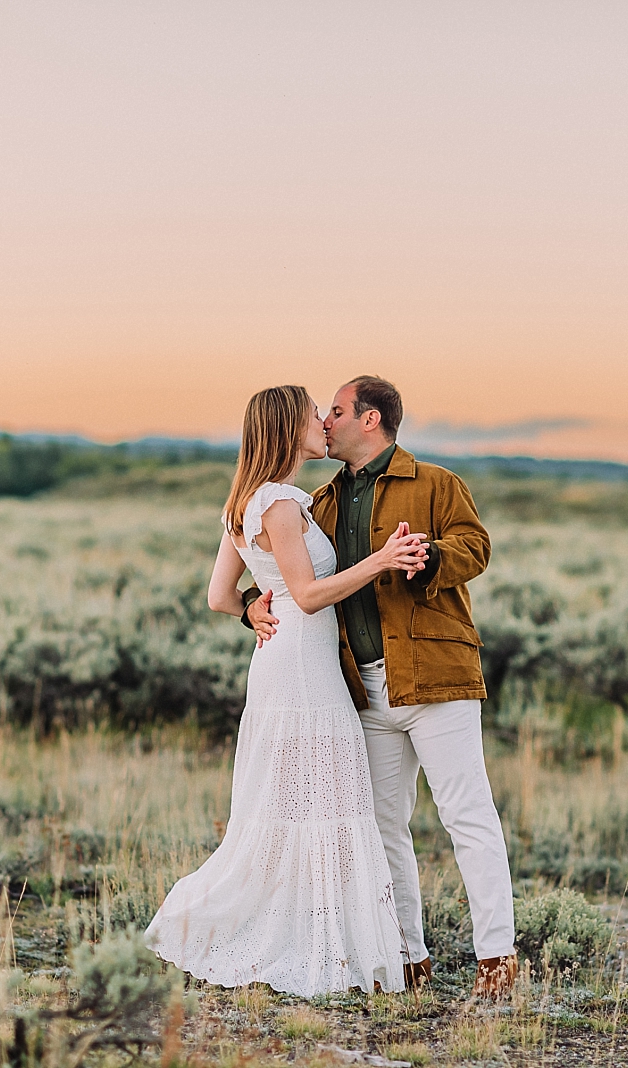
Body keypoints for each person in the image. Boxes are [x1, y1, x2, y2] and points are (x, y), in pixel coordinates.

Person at [145, 384, 431, 996]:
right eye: (311, 414)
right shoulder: (277, 504)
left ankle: (306, 929)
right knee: (321, 802)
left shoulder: (247, 501)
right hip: (304, 675)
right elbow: (306, 595)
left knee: (290, 804)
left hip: (280, 669)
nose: (322, 422)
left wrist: (252, 609)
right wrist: (381, 561)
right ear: (286, 428)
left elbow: (220, 596)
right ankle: (315, 941)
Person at [243, 375, 519, 999]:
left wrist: (431, 559)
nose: (325, 420)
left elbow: (477, 546)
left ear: (370, 420)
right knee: (383, 827)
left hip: (436, 682)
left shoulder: (436, 484)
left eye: (336, 411)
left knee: (468, 817)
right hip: (361, 691)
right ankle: (407, 958)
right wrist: (247, 607)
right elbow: (287, 572)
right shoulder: (323, 501)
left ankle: (497, 959)